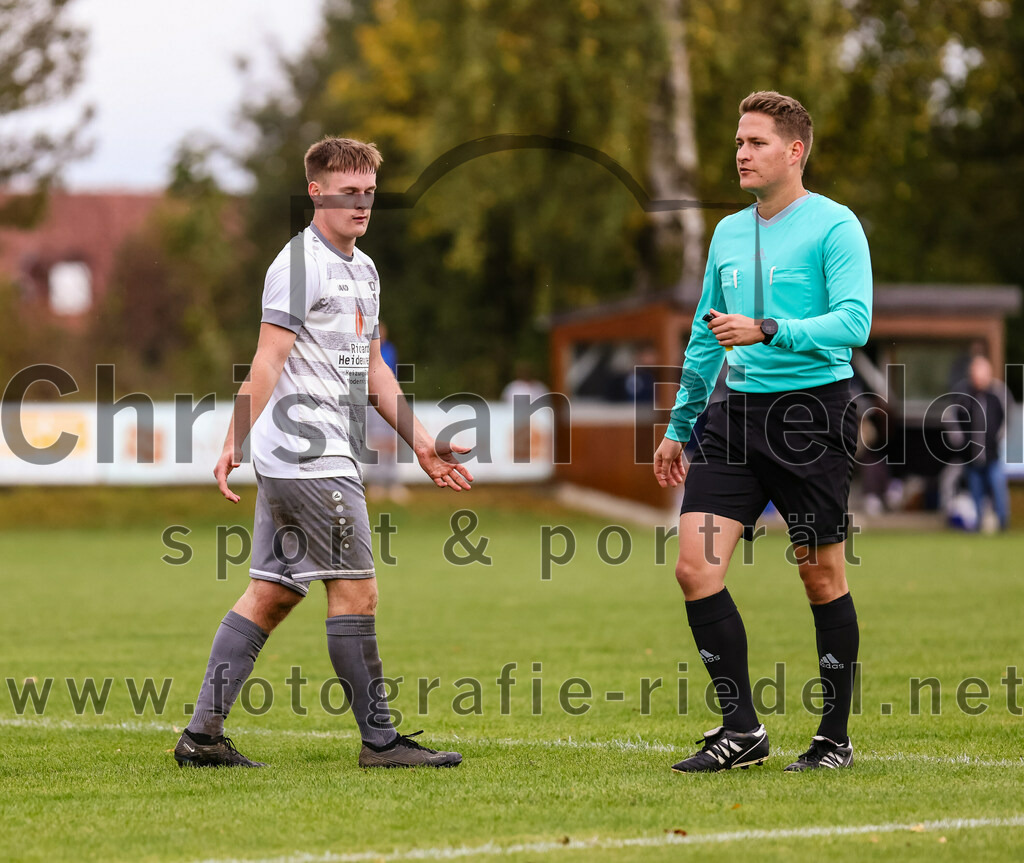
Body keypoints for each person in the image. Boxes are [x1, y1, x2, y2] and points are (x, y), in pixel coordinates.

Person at [174, 137, 473, 769]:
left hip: (304, 462)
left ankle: (201, 738)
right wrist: (233, 439)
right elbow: (266, 359)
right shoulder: (299, 264)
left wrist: (422, 443)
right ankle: (382, 743)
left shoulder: (364, 270)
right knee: (356, 593)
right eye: (348, 191)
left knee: (273, 592)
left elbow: (368, 369)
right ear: (316, 191)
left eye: (369, 191)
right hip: (313, 461)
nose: (362, 203)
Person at [652, 92, 872, 773]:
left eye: (756, 142)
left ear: (794, 150)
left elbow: (855, 322)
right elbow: (703, 336)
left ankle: (833, 738)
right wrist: (680, 424)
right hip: (734, 417)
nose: (741, 153)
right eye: (739, 142)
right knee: (694, 566)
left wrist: (771, 328)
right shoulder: (725, 233)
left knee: (820, 574)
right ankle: (741, 728)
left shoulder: (835, 227)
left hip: (812, 414)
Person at [955, 355, 1010, 531]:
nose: (978, 378)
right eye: (975, 374)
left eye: (982, 373)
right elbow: (952, 418)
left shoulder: (998, 393)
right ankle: (978, 525)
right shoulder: (964, 394)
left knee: (998, 489)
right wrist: (959, 439)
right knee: (975, 494)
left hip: (992, 456)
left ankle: (1003, 525)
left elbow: (1008, 416)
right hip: (970, 457)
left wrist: (1000, 437)